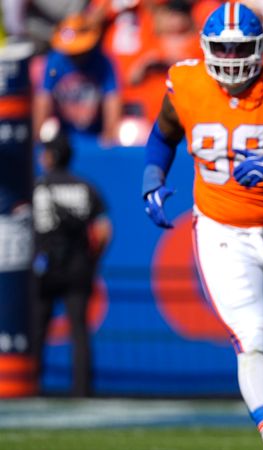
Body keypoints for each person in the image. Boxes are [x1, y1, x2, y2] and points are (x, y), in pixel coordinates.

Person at [140, 1, 263, 450]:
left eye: (242, 48)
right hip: (219, 230)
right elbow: (163, 135)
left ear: (261, 49)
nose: (233, 58)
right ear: (207, 49)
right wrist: (152, 176)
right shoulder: (187, 83)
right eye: (224, 48)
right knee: (252, 339)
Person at [31, 123, 112, 397]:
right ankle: (82, 389)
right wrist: (92, 260)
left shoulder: (37, 187)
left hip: (43, 266)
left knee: (37, 329)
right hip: (78, 265)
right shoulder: (86, 187)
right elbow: (103, 232)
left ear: (50, 155)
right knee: (79, 330)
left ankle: (31, 385)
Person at [32, 13, 122, 143]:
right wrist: (38, 139)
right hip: (63, 138)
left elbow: (112, 100)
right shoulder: (54, 60)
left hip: (96, 137)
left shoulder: (104, 62)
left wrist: (109, 137)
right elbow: (43, 99)